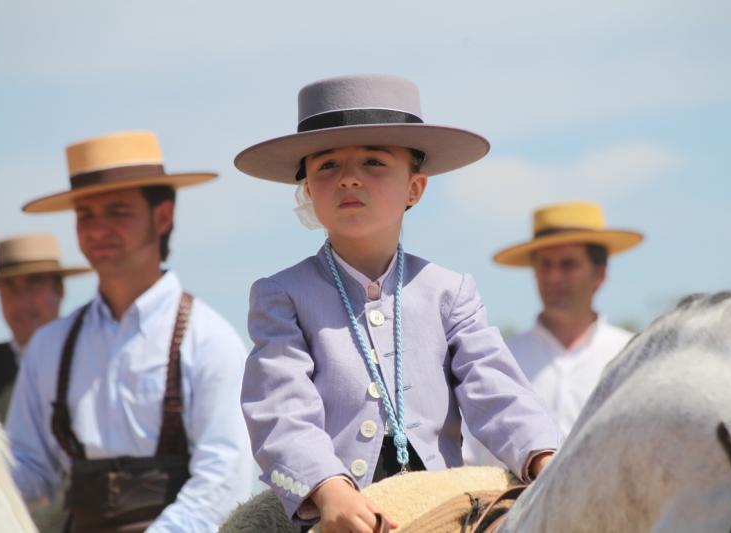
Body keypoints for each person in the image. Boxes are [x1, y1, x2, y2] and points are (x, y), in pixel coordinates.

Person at [236, 74, 561, 532]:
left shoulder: (450, 292)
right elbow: (279, 411)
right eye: (327, 166)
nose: (349, 177)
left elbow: (497, 392)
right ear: (308, 188)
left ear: (415, 189)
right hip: (334, 513)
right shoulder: (281, 295)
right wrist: (329, 490)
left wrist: (543, 456)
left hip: (444, 505)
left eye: (373, 162)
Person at [6, 131, 254, 532]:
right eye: (85, 215)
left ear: (163, 217)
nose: (98, 229)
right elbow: (30, 469)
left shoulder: (209, 340)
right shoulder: (48, 348)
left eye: (117, 212)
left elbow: (224, 476)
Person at [463, 202, 643, 466]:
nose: (553, 276)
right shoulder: (496, 360)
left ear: (600, 273)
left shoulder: (633, 357)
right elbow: (464, 456)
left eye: (568, 265)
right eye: (544, 265)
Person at [0, 233, 89, 421]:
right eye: (9, 287)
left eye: (34, 283)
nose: (22, 301)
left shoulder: (92, 357)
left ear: (59, 289)